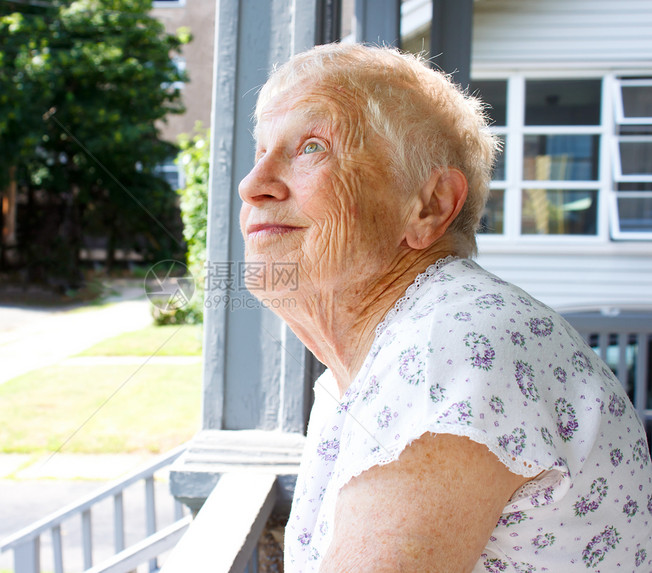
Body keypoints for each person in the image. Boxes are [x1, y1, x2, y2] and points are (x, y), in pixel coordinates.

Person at [238, 43, 652, 572]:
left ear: (429, 206)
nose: (254, 186)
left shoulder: (450, 348)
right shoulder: (396, 350)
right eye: (260, 152)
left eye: (312, 147)